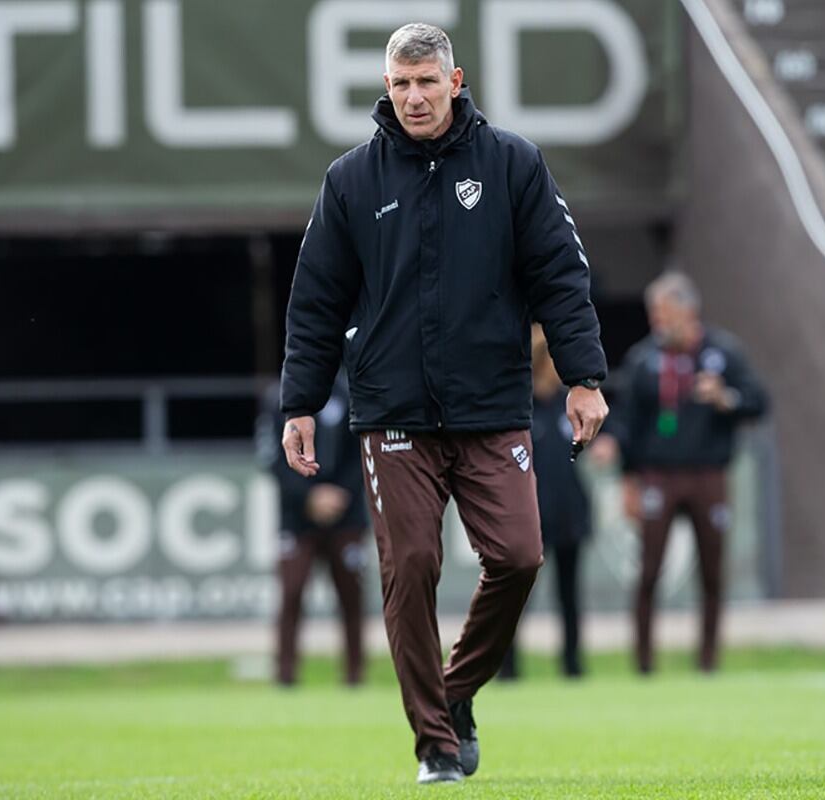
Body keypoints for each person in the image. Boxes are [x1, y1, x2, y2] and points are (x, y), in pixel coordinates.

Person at [279, 24, 608, 784]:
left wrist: (584, 376)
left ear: (455, 82)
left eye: (427, 82)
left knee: (521, 556)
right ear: (385, 87)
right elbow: (315, 303)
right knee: (413, 566)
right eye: (400, 84)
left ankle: (453, 696)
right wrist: (301, 401)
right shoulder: (352, 179)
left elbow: (560, 274)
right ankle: (435, 746)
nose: (413, 97)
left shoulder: (512, 163)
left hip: (492, 405)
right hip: (392, 412)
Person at [610, 271, 767, 674]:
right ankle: (643, 665)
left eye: (664, 314)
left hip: (708, 475)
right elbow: (626, 422)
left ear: (688, 310)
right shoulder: (644, 359)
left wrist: (725, 399)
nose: (658, 323)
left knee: (713, 572)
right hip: (657, 476)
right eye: (654, 315)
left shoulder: (722, 353)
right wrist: (627, 479)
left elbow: (759, 401)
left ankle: (708, 661)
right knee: (648, 571)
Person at [499, 325, 598, 681]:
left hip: (569, 512)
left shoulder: (567, 404)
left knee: (569, 596)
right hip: (531, 516)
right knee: (516, 595)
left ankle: (572, 665)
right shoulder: (520, 405)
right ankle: (507, 667)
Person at [258, 376, 367, 687]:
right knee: (291, 592)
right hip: (297, 518)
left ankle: (355, 676)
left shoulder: (353, 392)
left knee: (352, 595)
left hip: (347, 516)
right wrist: (309, 496)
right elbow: (270, 457)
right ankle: (286, 676)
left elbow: (363, 450)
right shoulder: (279, 398)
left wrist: (339, 493)